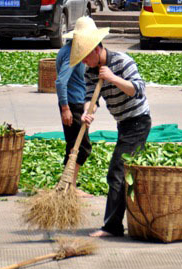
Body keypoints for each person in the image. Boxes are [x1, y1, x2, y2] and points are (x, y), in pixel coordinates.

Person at [69, 16, 151, 238]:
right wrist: (88, 112)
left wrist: (113, 78)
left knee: (116, 171)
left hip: (138, 121)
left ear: (97, 49)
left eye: (86, 57)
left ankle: (112, 227)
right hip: (123, 123)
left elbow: (138, 90)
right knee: (126, 173)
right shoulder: (91, 71)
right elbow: (90, 98)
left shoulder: (123, 62)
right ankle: (132, 218)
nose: (84, 63)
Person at [55, 29, 92, 197]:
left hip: (74, 103)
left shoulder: (68, 49)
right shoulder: (72, 53)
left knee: (73, 145)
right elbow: (60, 82)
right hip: (72, 105)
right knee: (82, 146)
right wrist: (65, 108)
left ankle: (68, 185)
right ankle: (70, 186)